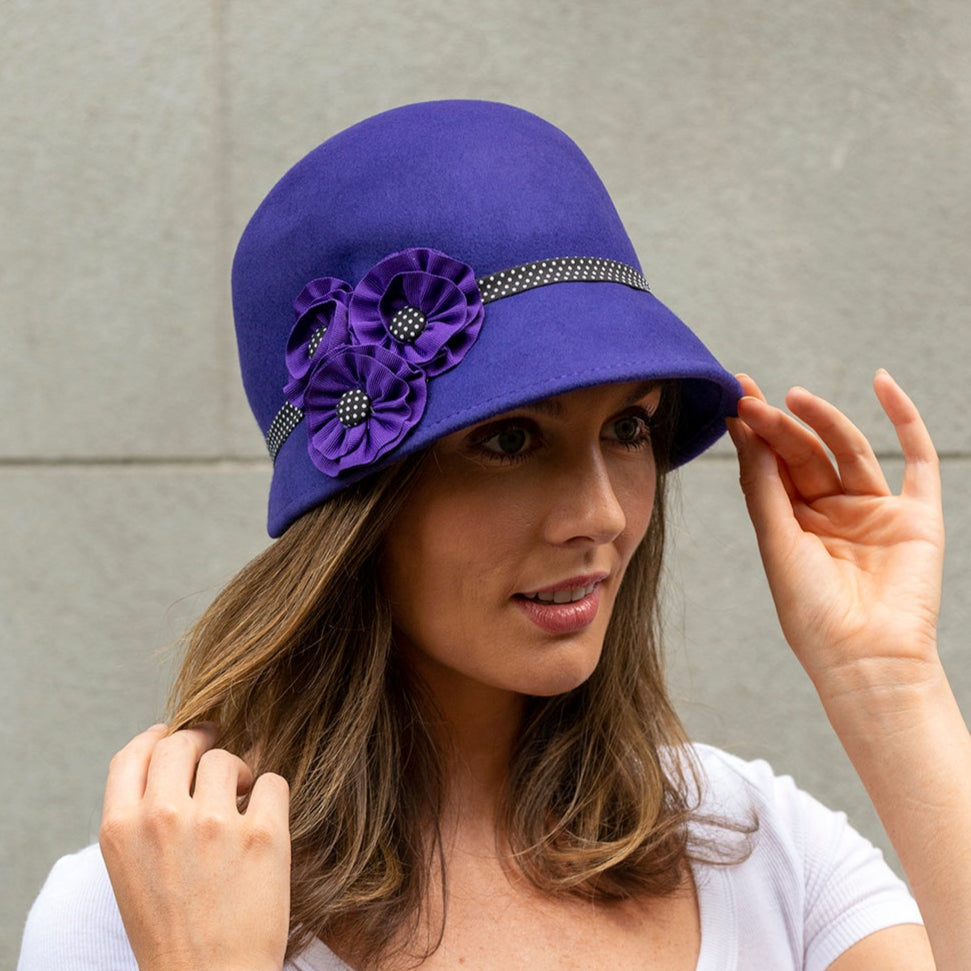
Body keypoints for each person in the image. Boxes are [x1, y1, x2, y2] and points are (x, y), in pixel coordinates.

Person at [17, 101, 969, 971]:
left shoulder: (753, 846)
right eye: (510, 439)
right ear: (358, 506)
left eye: (628, 427)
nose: (599, 512)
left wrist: (885, 680)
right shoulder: (146, 904)